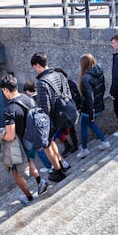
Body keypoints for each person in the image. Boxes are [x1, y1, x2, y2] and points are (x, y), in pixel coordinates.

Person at [0, 74, 49, 205]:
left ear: (5, 89)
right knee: (30, 159)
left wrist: (0, 135)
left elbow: (10, 135)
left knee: (16, 173)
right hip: (33, 139)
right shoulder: (28, 98)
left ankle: (29, 197)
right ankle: (40, 182)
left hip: (21, 144)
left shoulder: (9, 110)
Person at [30, 52, 71, 182]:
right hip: (63, 115)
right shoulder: (58, 75)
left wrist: (43, 125)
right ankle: (61, 164)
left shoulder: (42, 83)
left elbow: (45, 107)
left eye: (34, 66)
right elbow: (68, 93)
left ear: (37, 65)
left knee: (47, 145)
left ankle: (58, 171)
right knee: (51, 141)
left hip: (52, 119)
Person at [77, 53, 111, 159]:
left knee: (83, 126)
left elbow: (89, 97)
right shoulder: (99, 72)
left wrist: (90, 112)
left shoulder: (85, 78)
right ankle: (104, 142)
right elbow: (102, 89)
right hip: (98, 106)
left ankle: (84, 149)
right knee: (91, 124)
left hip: (89, 109)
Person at [23, 80, 52, 173]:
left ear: (28, 91)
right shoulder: (41, 96)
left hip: (38, 127)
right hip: (46, 123)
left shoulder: (30, 101)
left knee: (40, 148)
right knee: (48, 145)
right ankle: (56, 164)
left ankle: (49, 166)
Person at [54, 68, 80, 157]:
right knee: (60, 130)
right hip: (61, 112)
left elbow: (75, 96)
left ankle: (75, 145)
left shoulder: (70, 84)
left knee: (71, 129)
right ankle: (67, 145)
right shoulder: (56, 87)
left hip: (69, 110)